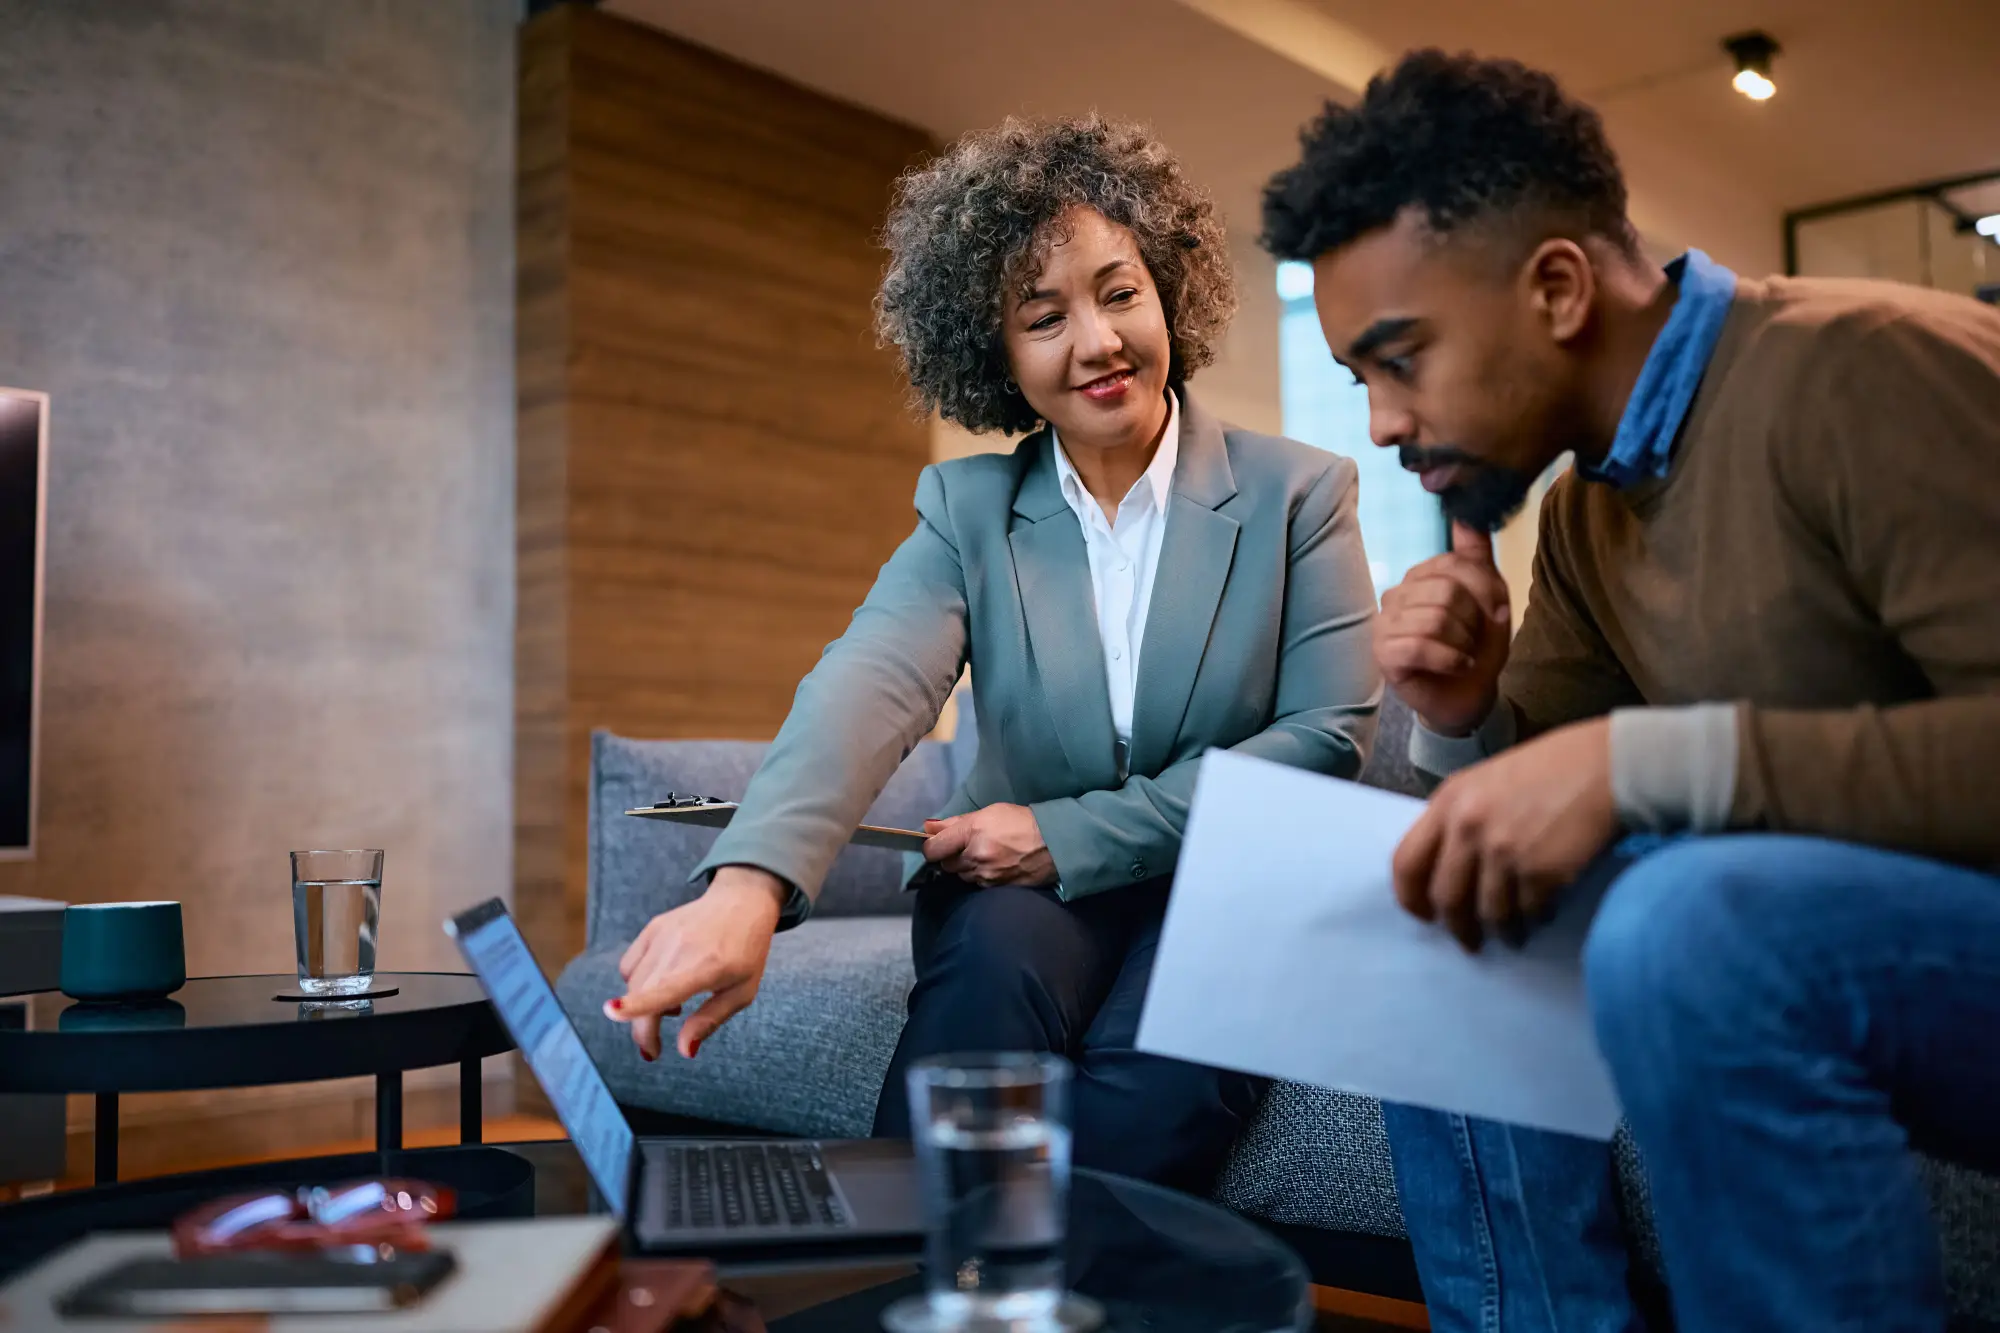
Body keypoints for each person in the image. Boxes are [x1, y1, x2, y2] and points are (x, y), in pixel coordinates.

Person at [1261, 48, 2000, 1333]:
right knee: (1435, 900)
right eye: (1358, 380)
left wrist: (1643, 769)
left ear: (1554, 286)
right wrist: (1458, 718)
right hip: (1855, 937)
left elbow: (1630, 787)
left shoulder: (1862, 371)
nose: (1380, 423)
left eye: (1400, 357)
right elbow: (1531, 817)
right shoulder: (1584, 515)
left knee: (1691, 923)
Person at [607, 115, 1382, 1193]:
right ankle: (894, 1289)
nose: (1096, 342)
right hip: (1023, 900)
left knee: (1147, 1095)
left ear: (1169, 291)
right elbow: (868, 683)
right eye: (1042, 315)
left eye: (1119, 293)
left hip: (1231, 876)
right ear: (996, 354)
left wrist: (1063, 835)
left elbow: (1325, 736)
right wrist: (746, 886)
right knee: (973, 1027)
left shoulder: (1300, 491)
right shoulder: (965, 508)